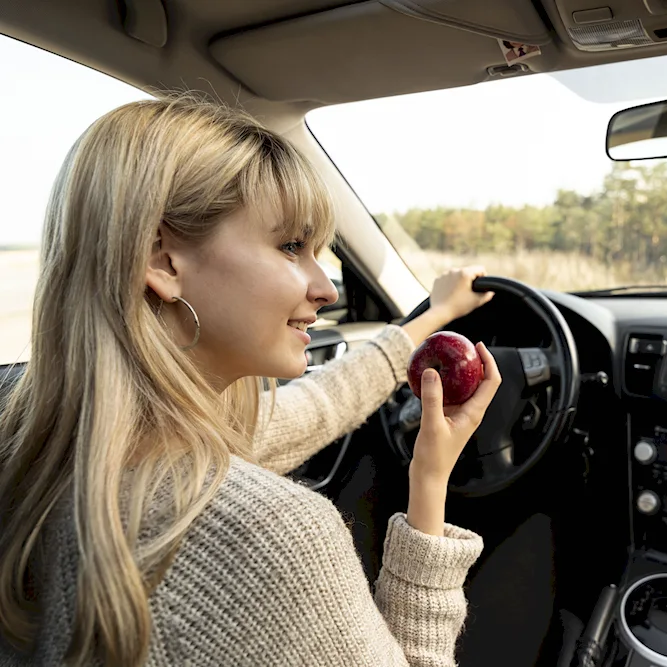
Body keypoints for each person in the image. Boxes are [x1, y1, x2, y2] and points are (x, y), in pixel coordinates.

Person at [0, 96, 501, 667]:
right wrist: (429, 494)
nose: (328, 288)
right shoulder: (269, 536)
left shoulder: (38, 450)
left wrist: (432, 318)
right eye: (292, 246)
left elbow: (319, 404)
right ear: (161, 260)